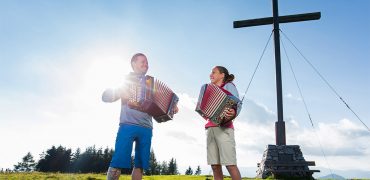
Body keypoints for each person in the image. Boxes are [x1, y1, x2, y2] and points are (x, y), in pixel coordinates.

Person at [102, 53, 178, 180]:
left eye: (147, 62)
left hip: (146, 128)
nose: (146, 64)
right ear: (133, 64)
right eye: (142, 61)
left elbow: (165, 101)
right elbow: (106, 97)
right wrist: (120, 91)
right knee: (118, 161)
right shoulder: (125, 81)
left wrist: (173, 107)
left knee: (140, 165)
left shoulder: (151, 83)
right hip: (128, 125)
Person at [205, 66, 242, 180]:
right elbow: (206, 109)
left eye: (214, 72)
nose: (211, 74)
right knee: (215, 166)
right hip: (210, 128)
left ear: (222, 75)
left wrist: (234, 112)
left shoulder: (229, 86)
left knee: (230, 164)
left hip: (224, 129)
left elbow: (237, 103)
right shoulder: (210, 89)